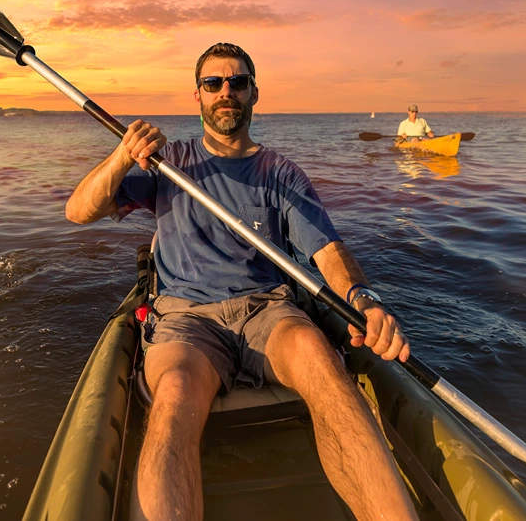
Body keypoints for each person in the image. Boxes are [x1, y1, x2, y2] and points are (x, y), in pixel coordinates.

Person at [66, 43, 419, 521]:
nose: (226, 91)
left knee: (323, 365)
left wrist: (364, 299)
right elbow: (79, 211)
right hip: (186, 317)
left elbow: (328, 252)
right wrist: (122, 156)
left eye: (238, 82)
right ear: (198, 96)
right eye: (214, 83)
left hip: (267, 311)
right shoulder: (169, 164)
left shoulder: (281, 174)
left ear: (254, 93)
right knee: (172, 396)